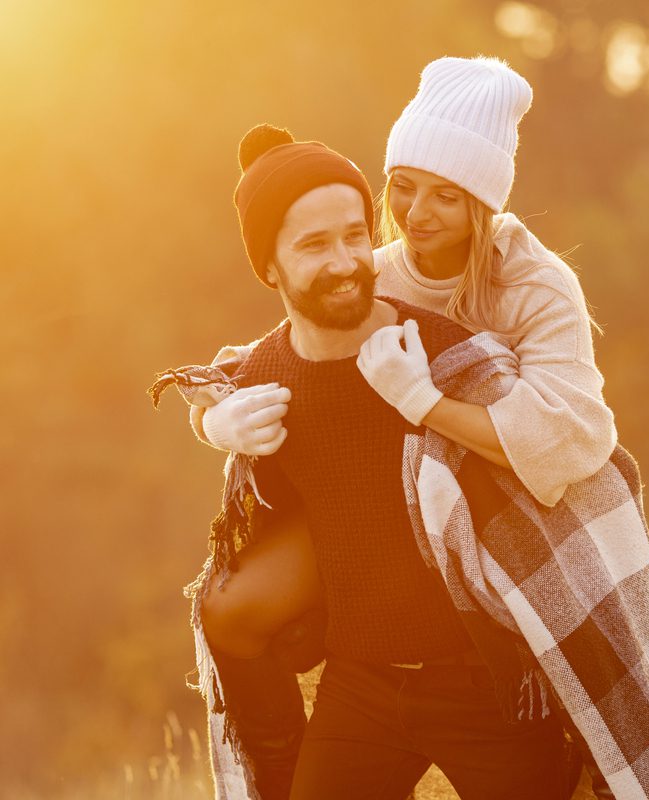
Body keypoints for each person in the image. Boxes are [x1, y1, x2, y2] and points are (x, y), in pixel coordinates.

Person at [185, 122, 581, 800]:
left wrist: (422, 400)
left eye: (356, 236)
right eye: (314, 245)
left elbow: (562, 457)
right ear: (270, 266)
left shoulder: (441, 350)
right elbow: (214, 379)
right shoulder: (269, 373)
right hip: (361, 687)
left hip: (485, 685)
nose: (345, 260)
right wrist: (210, 421)